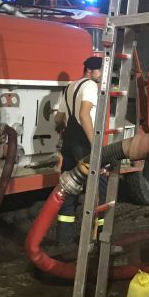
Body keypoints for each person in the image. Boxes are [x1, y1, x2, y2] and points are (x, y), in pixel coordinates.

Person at [54, 56, 106, 246]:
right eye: (100, 70)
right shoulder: (91, 87)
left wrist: (62, 133)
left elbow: (58, 119)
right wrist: (95, 144)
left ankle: (63, 242)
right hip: (84, 144)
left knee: (69, 189)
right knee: (100, 188)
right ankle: (99, 237)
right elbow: (84, 115)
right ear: (90, 71)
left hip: (69, 142)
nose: (102, 74)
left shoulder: (70, 87)